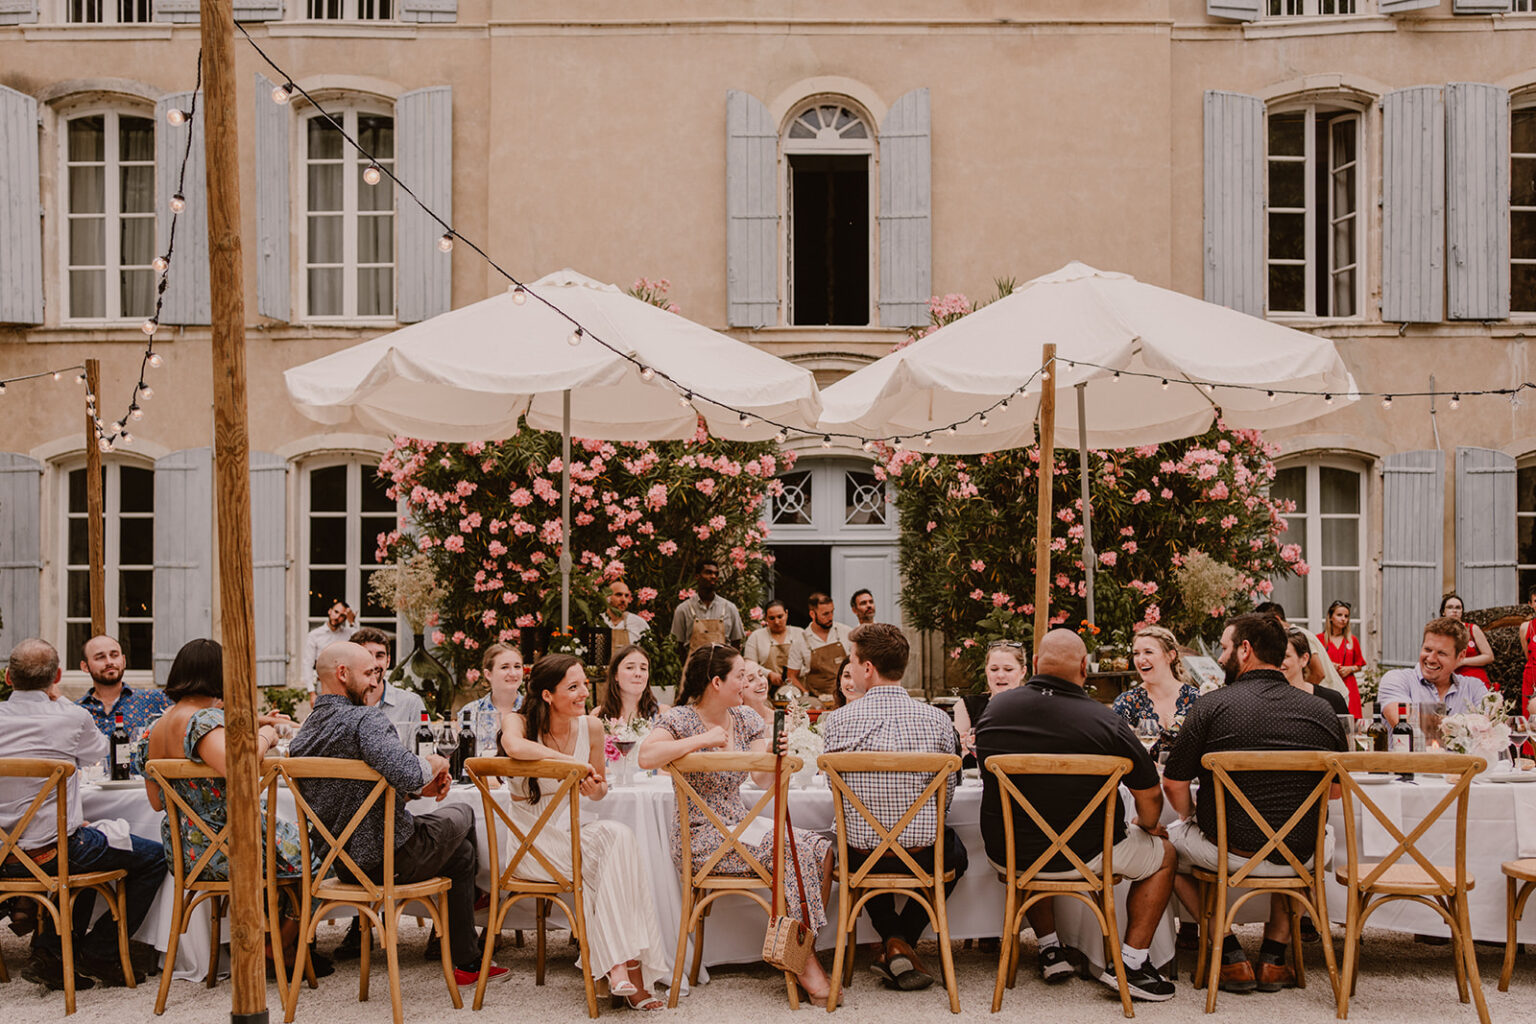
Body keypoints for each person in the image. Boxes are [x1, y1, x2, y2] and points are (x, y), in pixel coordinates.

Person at [975, 629, 1178, 1002]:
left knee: (1029, 839)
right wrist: (1146, 827)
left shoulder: (995, 711)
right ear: (1085, 669)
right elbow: (1150, 797)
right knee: (1164, 855)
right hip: (1087, 853)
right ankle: (1130, 962)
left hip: (1009, 851)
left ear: (1034, 665)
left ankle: (1050, 946)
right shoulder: (1105, 721)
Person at [290, 642, 507, 988]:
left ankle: (467, 958)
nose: (375, 683)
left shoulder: (307, 732)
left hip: (343, 864)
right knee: (464, 809)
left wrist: (417, 790)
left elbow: (357, 792)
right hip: (390, 858)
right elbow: (409, 771)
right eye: (368, 674)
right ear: (342, 674)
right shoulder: (365, 719)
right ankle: (480, 904)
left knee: (462, 855)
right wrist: (436, 764)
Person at [638, 644, 837, 1005]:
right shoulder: (680, 719)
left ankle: (799, 950)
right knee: (790, 852)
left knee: (819, 849)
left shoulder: (745, 719)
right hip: (700, 838)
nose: (748, 682)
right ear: (717, 681)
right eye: (741, 676)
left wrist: (774, 756)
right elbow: (646, 756)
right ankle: (806, 966)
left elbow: (762, 784)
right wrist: (703, 740)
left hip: (740, 827)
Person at [1162, 613, 1347, 994]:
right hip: (1302, 853)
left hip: (1232, 850)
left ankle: (1227, 948)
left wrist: (1190, 818)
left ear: (1245, 650)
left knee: (1166, 850)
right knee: (1306, 837)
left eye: (1226, 648)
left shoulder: (1211, 707)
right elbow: (1335, 792)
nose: (1222, 655)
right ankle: (1274, 957)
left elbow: (1174, 781)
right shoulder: (1322, 710)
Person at [131, 639, 329, 976]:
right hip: (234, 844)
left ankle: (285, 945)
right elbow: (242, 772)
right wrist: (267, 736)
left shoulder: (155, 728)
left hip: (190, 851)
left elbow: (155, 802)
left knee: (299, 848)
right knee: (327, 849)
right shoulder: (201, 721)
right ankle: (278, 942)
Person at [499, 654, 669, 1009]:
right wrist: (572, 763)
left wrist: (596, 790)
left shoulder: (591, 728)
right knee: (608, 861)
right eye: (572, 687)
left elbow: (601, 786)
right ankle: (626, 972)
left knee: (619, 838)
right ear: (547, 695)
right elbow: (513, 748)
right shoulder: (517, 722)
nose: (583, 694)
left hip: (569, 833)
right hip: (530, 845)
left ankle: (619, 965)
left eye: (584, 685)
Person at [0, 639, 164, 990]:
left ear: (8, 678)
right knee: (153, 857)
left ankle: (52, 951)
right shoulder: (72, 716)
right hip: (54, 852)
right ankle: (99, 950)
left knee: (90, 842)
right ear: (58, 675)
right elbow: (95, 757)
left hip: (3, 856)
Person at [820, 624, 967, 991]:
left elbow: (833, 792)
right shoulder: (937, 719)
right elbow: (945, 800)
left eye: (852, 661)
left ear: (868, 668)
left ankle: (894, 941)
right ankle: (902, 942)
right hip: (920, 854)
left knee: (856, 849)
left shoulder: (838, 721)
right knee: (956, 854)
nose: (849, 669)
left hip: (862, 854)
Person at [1377, 617, 1490, 723]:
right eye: (1427, 649)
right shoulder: (1397, 680)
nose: (1431, 659)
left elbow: (1489, 731)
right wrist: (1469, 724)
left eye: (1441, 653)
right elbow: (1405, 724)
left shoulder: (1474, 688)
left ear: (1461, 656)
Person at [1111, 626, 1200, 759]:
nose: (1140, 660)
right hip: (1145, 778)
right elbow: (1121, 752)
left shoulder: (1196, 698)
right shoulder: (1127, 702)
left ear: (1170, 656)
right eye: (1136, 653)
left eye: (1148, 652)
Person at [75, 634, 170, 736]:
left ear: (124, 661)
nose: (109, 662)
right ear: (85, 666)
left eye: (114, 655)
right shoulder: (75, 712)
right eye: (100, 657)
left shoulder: (154, 700)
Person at [952, 640, 1027, 758]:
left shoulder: (1033, 706)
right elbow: (956, 758)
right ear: (986, 671)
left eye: (1008, 669)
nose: (1000, 675)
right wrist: (960, 748)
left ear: (1023, 672)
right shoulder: (967, 706)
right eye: (994, 669)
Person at [351, 627, 426, 737]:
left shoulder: (411, 704)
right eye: (367, 655)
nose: (374, 663)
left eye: (379, 656)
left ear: (388, 661)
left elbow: (425, 750)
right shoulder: (341, 705)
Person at [668, 561, 745, 654]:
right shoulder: (683, 609)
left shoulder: (730, 608)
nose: (713, 576)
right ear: (697, 576)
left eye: (716, 574)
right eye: (708, 572)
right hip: (693, 666)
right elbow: (678, 645)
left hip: (723, 666)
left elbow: (736, 643)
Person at [798, 592, 856, 701]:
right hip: (816, 700)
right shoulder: (801, 640)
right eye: (825, 614)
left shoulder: (846, 632)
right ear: (812, 614)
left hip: (846, 698)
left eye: (832, 612)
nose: (831, 617)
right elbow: (792, 676)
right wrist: (806, 694)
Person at [740, 599, 805, 693]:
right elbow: (749, 665)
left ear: (786, 613)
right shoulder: (756, 637)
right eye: (772, 618)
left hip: (798, 691)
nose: (777, 622)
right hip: (766, 692)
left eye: (780, 616)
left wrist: (793, 674)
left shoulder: (800, 634)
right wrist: (768, 674)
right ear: (766, 618)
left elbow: (809, 663)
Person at [1282, 628, 1349, 715]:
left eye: (1285, 656)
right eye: (1274, 656)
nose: (1278, 661)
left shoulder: (1331, 700)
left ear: (1304, 659)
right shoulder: (1267, 702)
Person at [1316, 600, 1365, 717]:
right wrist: (1329, 665)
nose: (1343, 619)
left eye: (1346, 616)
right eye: (1339, 615)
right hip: (1329, 685)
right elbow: (1313, 664)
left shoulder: (1352, 640)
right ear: (1330, 617)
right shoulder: (1320, 639)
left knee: (1351, 722)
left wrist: (1350, 669)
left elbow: (1359, 664)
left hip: (1349, 684)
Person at [597, 644, 665, 724]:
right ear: (616, 675)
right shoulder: (598, 715)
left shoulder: (663, 713)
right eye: (629, 667)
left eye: (643, 668)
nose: (638, 674)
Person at [301, 600, 357, 692]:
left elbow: (359, 644)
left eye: (342, 615)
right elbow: (308, 663)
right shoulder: (315, 635)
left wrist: (352, 622)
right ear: (330, 611)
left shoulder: (348, 634)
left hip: (344, 685)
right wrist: (311, 691)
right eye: (336, 612)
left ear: (345, 618)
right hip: (323, 684)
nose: (337, 617)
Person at [463, 643, 526, 726]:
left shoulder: (535, 710)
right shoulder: (470, 712)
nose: (513, 673)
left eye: (517, 666)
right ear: (488, 674)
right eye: (504, 667)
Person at [1440, 593, 1493, 689]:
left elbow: (1489, 656)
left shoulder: (1472, 629)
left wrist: (1462, 662)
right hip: (1449, 680)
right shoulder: (1438, 633)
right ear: (1443, 612)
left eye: (1458, 608)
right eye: (1450, 607)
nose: (1454, 611)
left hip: (1475, 680)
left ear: (1462, 611)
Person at [601, 580, 650, 645]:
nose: (623, 599)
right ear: (607, 597)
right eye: (618, 595)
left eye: (626, 596)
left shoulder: (639, 623)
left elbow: (648, 651)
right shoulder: (597, 621)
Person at [740, 658, 776, 725]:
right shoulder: (733, 725)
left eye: (761, 674)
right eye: (751, 679)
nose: (761, 682)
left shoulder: (783, 721)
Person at [1522, 585, 1536, 716]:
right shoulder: (1526, 627)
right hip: (1531, 676)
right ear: (1530, 604)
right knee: (1530, 718)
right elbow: (1528, 654)